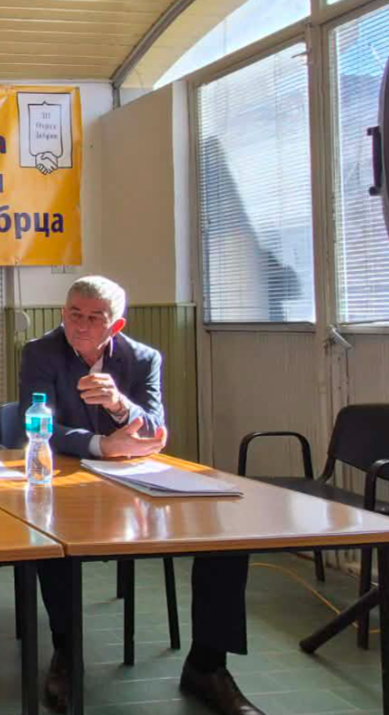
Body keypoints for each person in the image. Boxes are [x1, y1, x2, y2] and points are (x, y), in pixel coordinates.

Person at [19, 276, 261, 715]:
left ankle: (207, 666)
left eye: (95, 318)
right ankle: (67, 653)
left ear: (116, 324)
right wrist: (102, 445)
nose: (81, 326)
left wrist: (119, 406)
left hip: (135, 480)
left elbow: (155, 429)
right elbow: (38, 426)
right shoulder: (41, 352)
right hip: (67, 476)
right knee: (51, 537)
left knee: (226, 538)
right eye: (74, 314)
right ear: (63, 313)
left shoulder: (143, 358)